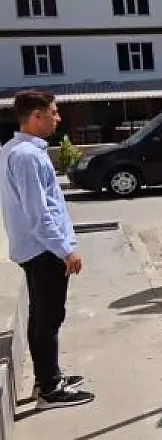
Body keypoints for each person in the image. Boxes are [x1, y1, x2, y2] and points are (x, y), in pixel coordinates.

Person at [0, 90, 95, 409]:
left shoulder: (16, 150)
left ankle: (47, 376)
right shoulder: (27, 156)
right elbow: (39, 213)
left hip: (35, 249)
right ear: (36, 116)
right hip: (44, 251)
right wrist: (65, 250)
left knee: (42, 314)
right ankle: (50, 389)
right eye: (53, 112)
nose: (58, 118)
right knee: (49, 316)